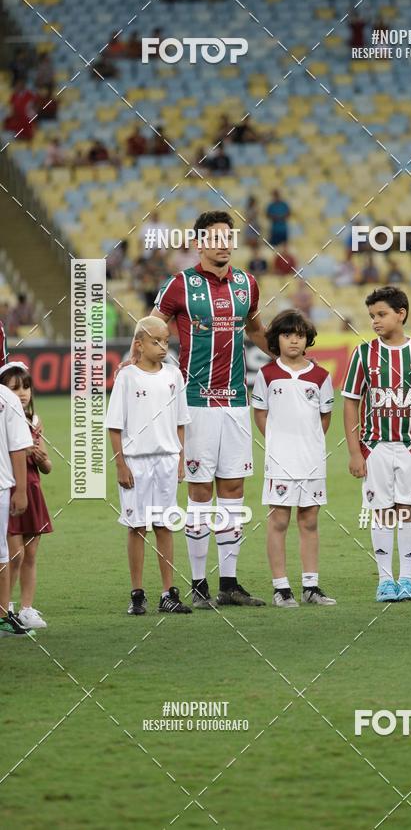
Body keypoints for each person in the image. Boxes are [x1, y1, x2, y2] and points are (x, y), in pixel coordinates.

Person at [152, 211, 270, 607]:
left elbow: (254, 328)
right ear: (199, 243)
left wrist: (286, 356)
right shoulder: (180, 285)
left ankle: (229, 584)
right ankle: (199, 585)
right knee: (201, 491)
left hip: (236, 400)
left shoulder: (247, 283)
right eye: (213, 238)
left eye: (227, 237)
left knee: (233, 490)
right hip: (196, 402)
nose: (222, 244)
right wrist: (149, 366)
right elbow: (152, 327)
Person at [342, 286, 411, 603]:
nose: (375, 321)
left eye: (381, 314)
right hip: (375, 446)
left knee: (409, 510)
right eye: (372, 316)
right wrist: (354, 451)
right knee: (382, 512)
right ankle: (386, 580)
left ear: (401, 314)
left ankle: (407, 579)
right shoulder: (362, 354)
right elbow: (350, 403)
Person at [106, 317, 192, 616]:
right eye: (156, 341)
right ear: (139, 344)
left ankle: (168, 592)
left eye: (166, 341)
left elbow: (181, 422)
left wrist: (180, 458)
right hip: (137, 462)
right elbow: (114, 426)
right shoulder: (127, 377)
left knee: (165, 525)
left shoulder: (174, 376)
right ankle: (137, 593)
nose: (162, 347)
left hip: (166, 460)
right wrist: (120, 464)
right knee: (137, 527)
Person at [252, 310, 336, 608]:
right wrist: (276, 442)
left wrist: (310, 443)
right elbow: (260, 413)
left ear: (307, 340)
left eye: (299, 335)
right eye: (287, 335)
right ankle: (281, 587)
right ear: (276, 338)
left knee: (310, 520)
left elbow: (324, 418)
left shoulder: (321, 376)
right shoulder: (266, 374)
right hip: (280, 460)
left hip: (312, 460)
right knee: (279, 520)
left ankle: (310, 586)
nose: (293, 340)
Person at [1, 363, 52, 629]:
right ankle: (5, 605)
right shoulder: (4, 419)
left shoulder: (34, 422)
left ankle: (27, 608)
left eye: (26, 387)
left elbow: (47, 466)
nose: (22, 393)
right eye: (14, 388)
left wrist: (40, 456)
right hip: (11, 490)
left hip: (33, 490)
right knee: (13, 555)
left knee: (30, 554)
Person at [0, 376, 32, 638]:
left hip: (0, 487)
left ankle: (1, 616)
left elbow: (18, 446)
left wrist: (20, 490)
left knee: (1, 554)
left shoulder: (6, 398)